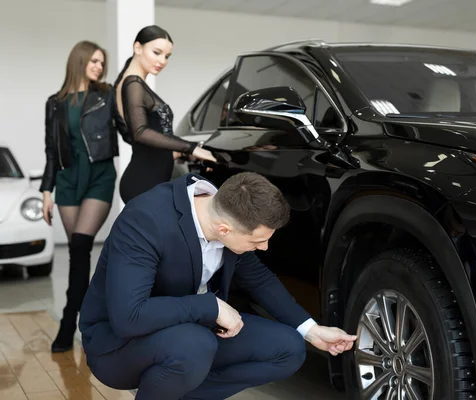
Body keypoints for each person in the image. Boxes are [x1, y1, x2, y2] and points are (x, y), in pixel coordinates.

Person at [78, 171, 356, 399]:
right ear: (224, 229)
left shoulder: (225, 209)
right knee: (194, 345)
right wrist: (210, 306)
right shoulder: (146, 220)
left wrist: (311, 330)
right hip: (118, 344)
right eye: (257, 241)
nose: (265, 247)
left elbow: (258, 278)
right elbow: (129, 317)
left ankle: (175, 393)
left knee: (288, 348)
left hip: (189, 331)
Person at [40, 40, 131, 353]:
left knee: (80, 245)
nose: (99, 67)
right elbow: (51, 152)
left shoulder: (106, 96)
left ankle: (70, 322)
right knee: (79, 256)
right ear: (79, 61)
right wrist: (45, 191)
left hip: (99, 176)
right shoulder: (55, 102)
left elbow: (128, 130)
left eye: (101, 62)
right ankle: (88, 320)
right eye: (94, 61)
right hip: (67, 180)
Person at [114, 25, 216, 204]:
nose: (162, 60)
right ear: (138, 48)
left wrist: (180, 152)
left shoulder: (135, 84)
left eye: (167, 56)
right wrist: (191, 147)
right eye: (157, 52)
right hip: (143, 182)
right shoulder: (132, 83)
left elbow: (157, 134)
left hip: (152, 179)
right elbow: (140, 132)